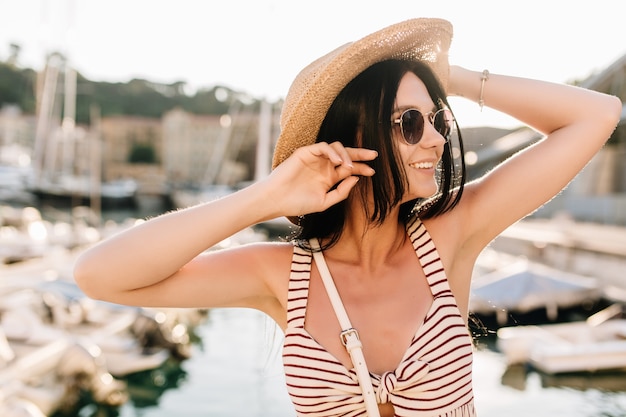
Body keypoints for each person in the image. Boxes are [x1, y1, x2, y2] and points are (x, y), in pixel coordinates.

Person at [73, 18, 621, 417]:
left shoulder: (453, 234)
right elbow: (98, 275)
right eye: (409, 122)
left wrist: (445, 77)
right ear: (351, 139)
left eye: (436, 120)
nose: (434, 138)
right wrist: (262, 198)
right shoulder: (280, 275)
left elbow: (596, 115)